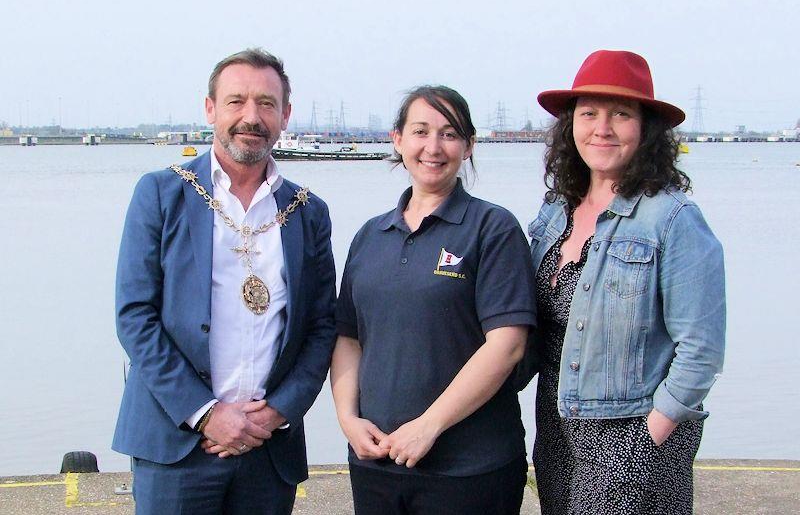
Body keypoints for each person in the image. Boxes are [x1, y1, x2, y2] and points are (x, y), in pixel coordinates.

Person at [112, 48, 336, 514]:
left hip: (268, 448)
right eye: (236, 102)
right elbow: (135, 317)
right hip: (176, 447)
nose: (250, 117)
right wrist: (206, 414)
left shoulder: (308, 212)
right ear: (210, 108)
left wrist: (278, 411)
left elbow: (321, 327)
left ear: (285, 115)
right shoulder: (160, 193)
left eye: (266, 104)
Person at [528, 50, 725, 514]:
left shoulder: (674, 219)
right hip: (557, 430)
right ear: (570, 125)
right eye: (589, 112)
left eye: (621, 113)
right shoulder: (555, 211)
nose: (602, 127)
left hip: (633, 432)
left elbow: (701, 350)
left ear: (646, 129)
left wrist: (648, 437)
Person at [331, 85, 537, 515]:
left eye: (448, 134)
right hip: (377, 462)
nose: (433, 147)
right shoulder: (371, 235)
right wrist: (348, 420)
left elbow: (507, 345)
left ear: (468, 146)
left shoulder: (491, 228)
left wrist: (428, 426)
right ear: (397, 140)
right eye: (420, 131)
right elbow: (348, 337)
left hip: (468, 468)